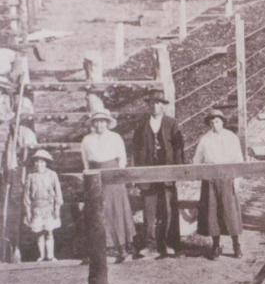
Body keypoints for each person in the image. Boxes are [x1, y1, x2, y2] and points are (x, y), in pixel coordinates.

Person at [132, 90, 183, 257]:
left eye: (158, 103)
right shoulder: (141, 125)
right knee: (149, 210)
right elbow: (136, 150)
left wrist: (177, 171)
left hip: (167, 173)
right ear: (148, 105)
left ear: (163, 106)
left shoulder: (171, 123)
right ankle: (150, 244)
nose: (155, 106)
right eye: (152, 103)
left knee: (168, 209)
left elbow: (178, 149)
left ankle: (169, 243)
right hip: (147, 174)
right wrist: (137, 174)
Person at [81, 110, 135, 263]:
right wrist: (88, 174)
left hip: (114, 175)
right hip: (95, 177)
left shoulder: (115, 137)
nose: (100, 125)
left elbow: (122, 158)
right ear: (93, 124)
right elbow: (85, 161)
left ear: (107, 123)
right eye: (97, 121)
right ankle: (104, 249)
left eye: (102, 121)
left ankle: (122, 248)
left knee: (116, 209)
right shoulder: (87, 140)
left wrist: (118, 175)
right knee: (100, 210)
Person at [192, 109, 244, 259]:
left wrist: (236, 181)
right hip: (210, 180)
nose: (215, 125)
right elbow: (197, 159)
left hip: (227, 179)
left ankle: (236, 245)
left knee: (230, 212)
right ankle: (215, 245)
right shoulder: (205, 139)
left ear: (222, 122)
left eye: (217, 122)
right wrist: (200, 174)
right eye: (212, 122)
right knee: (212, 212)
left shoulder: (231, 137)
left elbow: (238, 160)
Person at [22, 149, 63, 262]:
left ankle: (50, 256)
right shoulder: (31, 176)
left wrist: (57, 208)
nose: (39, 164)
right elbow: (27, 195)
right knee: (39, 232)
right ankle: (42, 255)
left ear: (46, 163)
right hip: (36, 208)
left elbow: (58, 192)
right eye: (37, 162)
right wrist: (28, 211)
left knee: (49, 231)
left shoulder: (52, 175)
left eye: (41, 162)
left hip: (49, 207)